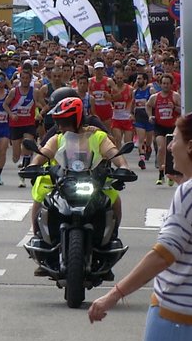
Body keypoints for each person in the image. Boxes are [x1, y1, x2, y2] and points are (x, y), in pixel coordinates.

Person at [88, 110, 192, 341]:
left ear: (191, 147)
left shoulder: (190, 192)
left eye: (175, 139)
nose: (171, 146)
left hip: (184, 317)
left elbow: (162, 255)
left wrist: (113, 296)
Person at [28, 97, 127, 274]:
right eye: (59, 122)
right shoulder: (58, 138)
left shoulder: (98, 136)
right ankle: (41, 241)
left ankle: (109, 241)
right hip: (63, 181)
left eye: (65, 122)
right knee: (41, 199)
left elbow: (113, 153)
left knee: (114, 200)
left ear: (77, 119)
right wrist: (33, 166)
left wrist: (124, 167)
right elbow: (43, 153)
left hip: (93, 181)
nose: (61, 126)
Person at [4, 69, 38, 188]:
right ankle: (21, 160)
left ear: (30, 79)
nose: (25, 80)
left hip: (29, 124)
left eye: (27, 78)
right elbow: (5, 104)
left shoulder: (34, 92)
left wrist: (40, 113)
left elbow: (42, 104)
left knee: (27, 146)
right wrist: (11, 114)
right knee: (16, 156)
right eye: (23, 78)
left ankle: (23, 175)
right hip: (15, 124)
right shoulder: (14, 91)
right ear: (20, 79)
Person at [147, 73, 181, 186]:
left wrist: (175, 108)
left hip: (172, 126)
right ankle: (161, 174)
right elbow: (148, 105)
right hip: (159, 126)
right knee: (161, 148)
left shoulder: (175, 96)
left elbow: (183, 110)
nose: (165, 85)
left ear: (171, 85)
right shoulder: (155, 97)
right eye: (163, 83)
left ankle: (171, 173)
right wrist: (150, 116)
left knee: (171, 150)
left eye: (167, 83)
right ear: (160, 84)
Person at [133, 72, 155, 170]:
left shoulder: (150, 90)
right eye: (137, 79)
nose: (138, 81)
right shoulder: (135, 92)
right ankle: (141, 159)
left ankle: (148, 149)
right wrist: (131, 114)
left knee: (149, 142)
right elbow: (133, 104)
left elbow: (155, 102)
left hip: (149, 118)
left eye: (140, 79)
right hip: (139, 118)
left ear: (145, 80)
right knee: (141, 139)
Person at [109, 68, 134, 148]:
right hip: (116, 118)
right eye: (117, 78)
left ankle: (124, 159)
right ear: (115, 78)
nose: (119, 80)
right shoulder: (112, 89)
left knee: (127, 143)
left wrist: (132, 114)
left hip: (127, 118)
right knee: (117, 140)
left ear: (124, 78)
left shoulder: (130, 89)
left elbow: (134, 103)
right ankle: (118, 158)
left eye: (121, 78)